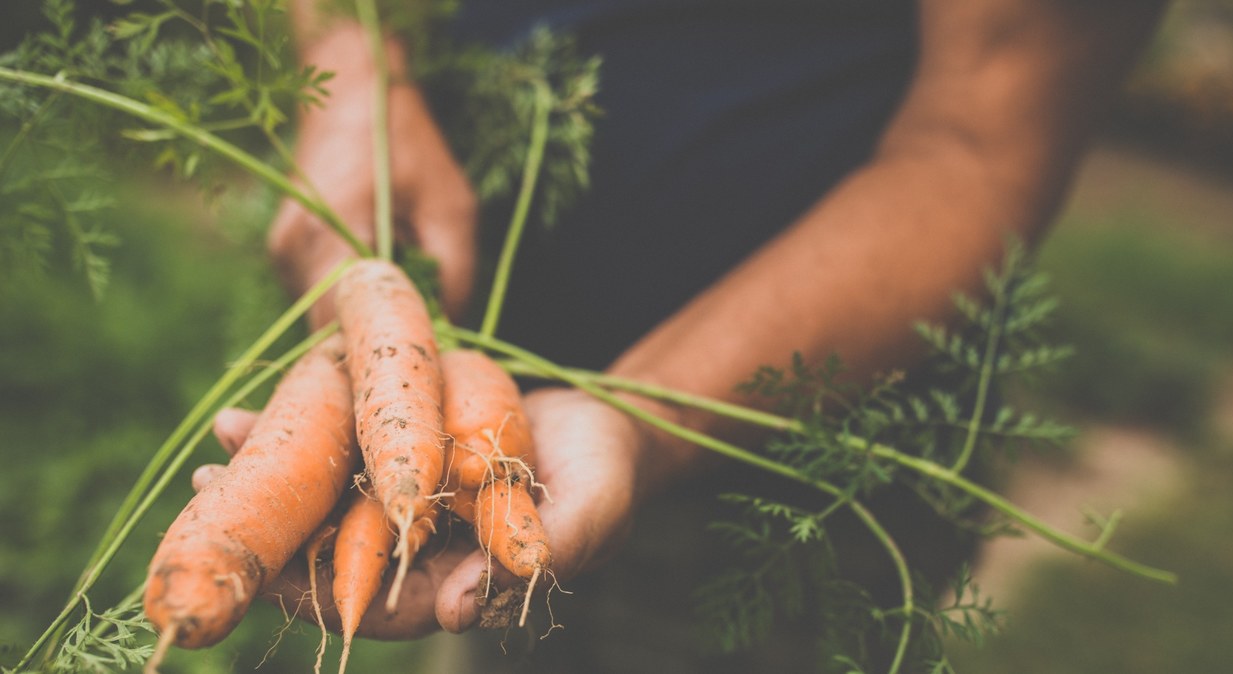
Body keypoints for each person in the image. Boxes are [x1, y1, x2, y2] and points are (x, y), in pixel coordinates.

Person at [209, 0, 1168, 669]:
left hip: (805, 479)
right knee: (485, 613)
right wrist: (355, 67)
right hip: (487, 448)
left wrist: (638, 418)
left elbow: (984, 141)